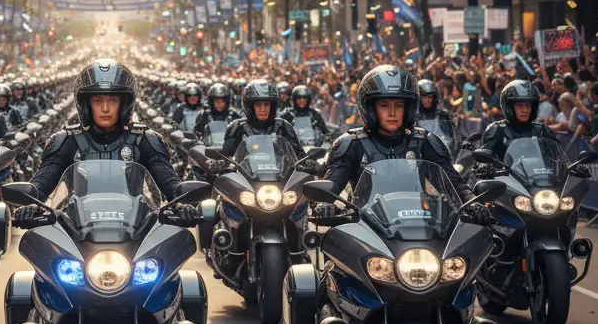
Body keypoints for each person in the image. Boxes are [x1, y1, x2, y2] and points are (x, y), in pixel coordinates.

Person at [15, 59, 196, 225]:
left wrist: (181, 201)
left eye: (113, 100)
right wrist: (31, 203)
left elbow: (169, 180)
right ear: (85, 104)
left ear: (125, 103)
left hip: (135, 228)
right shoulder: (66, 141)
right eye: (97, 100)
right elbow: (42, 182)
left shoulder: (144, 139)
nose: (105, 108)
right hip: (77, 228)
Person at [323, 66, 479, 215]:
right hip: (365, 229)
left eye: (398, 106)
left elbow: (453, 183)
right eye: (384, 105)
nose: (392, 113)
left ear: (408, 108)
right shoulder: (352, 143)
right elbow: (332, 184)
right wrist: (324, 204)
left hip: (420, 227)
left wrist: (472, 202)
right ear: (371, 108)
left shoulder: (423, 141)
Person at [478, 79, 559, 164]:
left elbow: (558, 161)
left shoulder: (543, 131)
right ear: (509, 107)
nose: (525, 110)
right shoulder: (497, 130)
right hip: (506, 177)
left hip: (541, 177)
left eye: (528, 105)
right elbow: (483, 165)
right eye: (520, 105)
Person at [221, 80, 303, 158]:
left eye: (266, 104)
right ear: (250, 107)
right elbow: (225, 158)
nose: (263, 109)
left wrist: (308, 162)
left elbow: (300, 156)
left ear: (272, 106)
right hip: (245, 173)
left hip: (279, 173)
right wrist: (216, 164)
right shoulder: (237, 128)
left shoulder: (283, 127)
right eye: (258, 105)